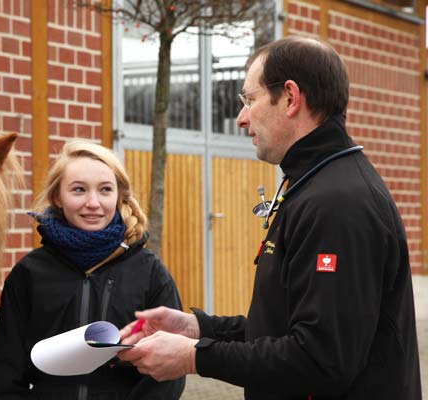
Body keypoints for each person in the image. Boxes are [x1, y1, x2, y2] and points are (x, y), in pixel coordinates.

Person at [117, 36, 422, 399]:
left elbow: (321, 359)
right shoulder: (314, 183)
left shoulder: (340, 203)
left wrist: (195, 358)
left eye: (249, 99)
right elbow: (284, 330)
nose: (241, 118)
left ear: (291, 98)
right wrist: (198, 329)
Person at [0, 140, 185, 399]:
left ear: (119, 196)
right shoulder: (28, 274)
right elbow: (6, 372)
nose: (93, 203)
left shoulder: (150, 272)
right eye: (79, 190)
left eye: (105, 190)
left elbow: (170, 371)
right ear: (58, 197)